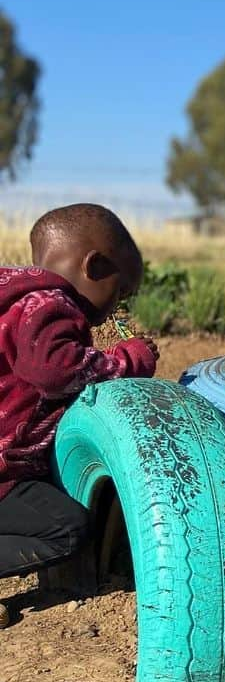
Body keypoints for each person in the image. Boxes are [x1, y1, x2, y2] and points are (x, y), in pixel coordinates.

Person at [0, 204, 157, 598]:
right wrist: (128, 359)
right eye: (120, 293)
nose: (114, 310)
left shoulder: (16, 301)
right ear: (94, 266)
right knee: (67, 528)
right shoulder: (50, 304)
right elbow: (54, 370)